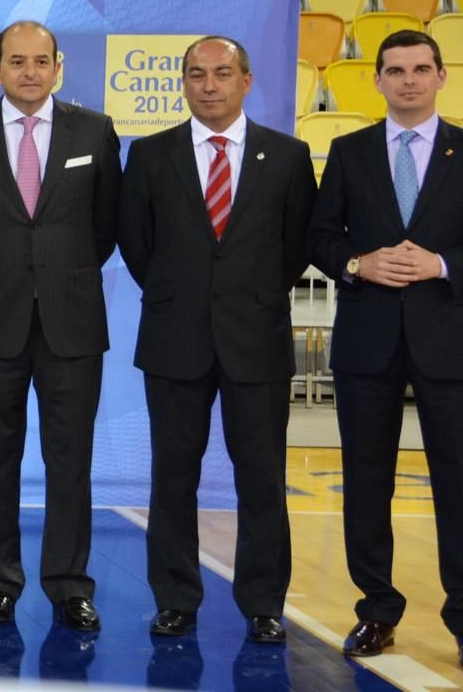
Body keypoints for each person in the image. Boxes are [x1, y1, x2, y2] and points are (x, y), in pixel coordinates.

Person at [117, 36, 313, 644]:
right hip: (176, 339)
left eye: (222, 73)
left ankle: (263, 604)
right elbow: (136, 243)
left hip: (256, 340)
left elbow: (296, 246)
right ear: (183, 82)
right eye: (196, 74)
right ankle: (176, 598)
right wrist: (186, 296)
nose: (209, 85)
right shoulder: (151, 155)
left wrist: (244, 299)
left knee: (261, 476)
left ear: (246, 81)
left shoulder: (287, 155)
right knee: (172, 476)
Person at [0, 20, 120, 631]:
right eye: (16, 61)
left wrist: (55, 273)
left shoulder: (94, 130)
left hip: (72, 321)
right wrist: (9, 271)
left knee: (72, 459)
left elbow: (105, 227)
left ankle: (70, 585)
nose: (29, 72)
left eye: (41, 61)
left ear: (58, 66)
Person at [308, 29, 463, 662]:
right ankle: (376, 608)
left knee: (457, 483)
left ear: (440, 76)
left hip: (448, 342)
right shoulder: (347, 151)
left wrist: (444, 266)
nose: (408, 80)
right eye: (395, 70)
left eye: (420, 69)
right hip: (366, 342)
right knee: (367, 482)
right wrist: (356, 264)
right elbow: (318, 236)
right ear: (376, 80)